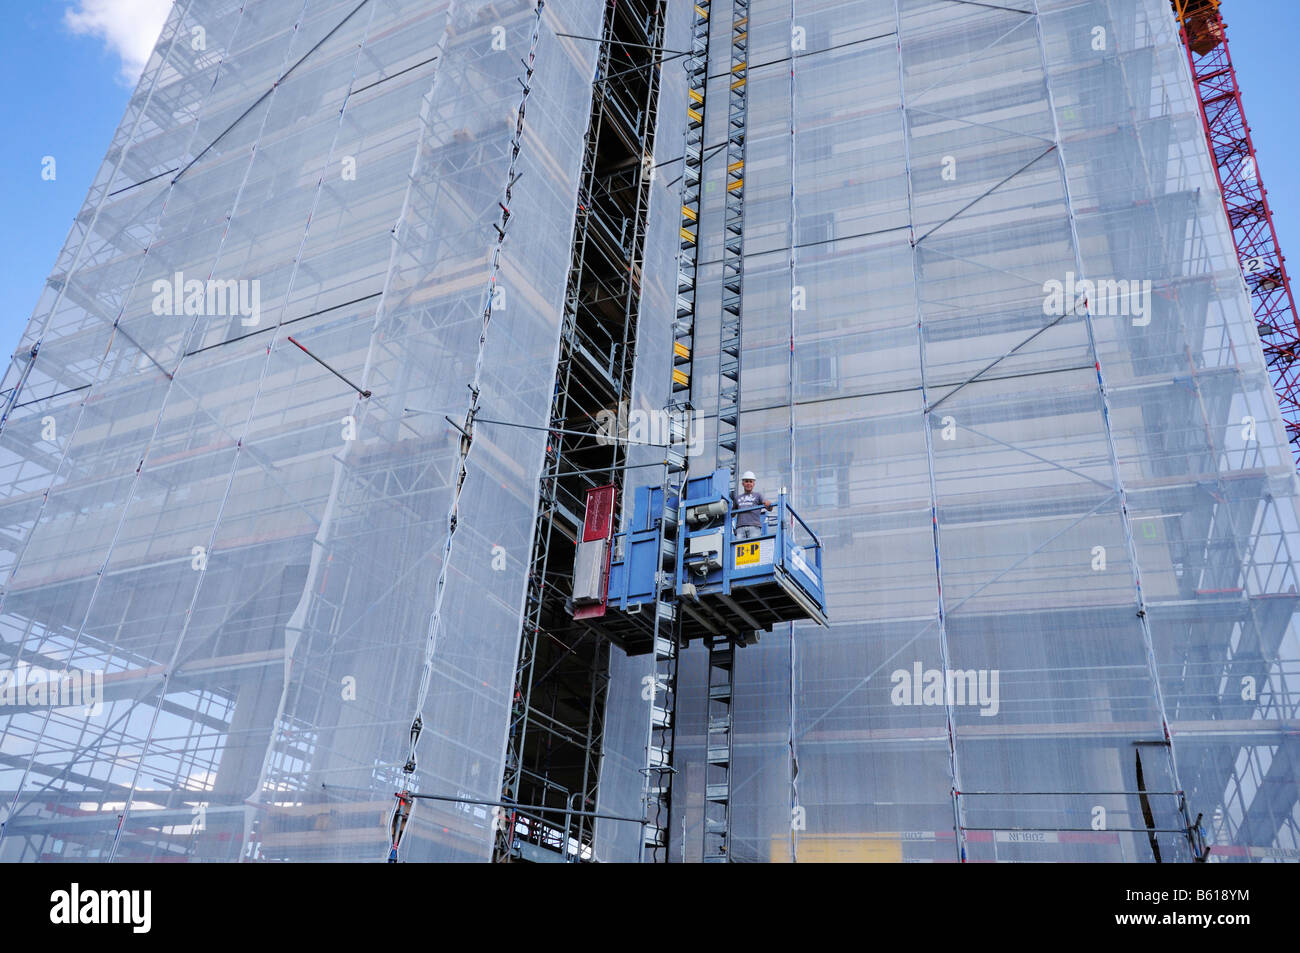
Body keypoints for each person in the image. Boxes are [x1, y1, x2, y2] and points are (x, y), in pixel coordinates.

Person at [731, 470, 773, 540]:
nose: (748, 483)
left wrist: (769, 504)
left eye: (751, 481)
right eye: (746, 481)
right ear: (743, 483)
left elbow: (770, 508)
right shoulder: (737, 498)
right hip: (740, 528)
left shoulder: (758, 495)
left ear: (754, 484)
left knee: (754, 546)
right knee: (740, 549)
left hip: (754, 527)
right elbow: (732, 514)